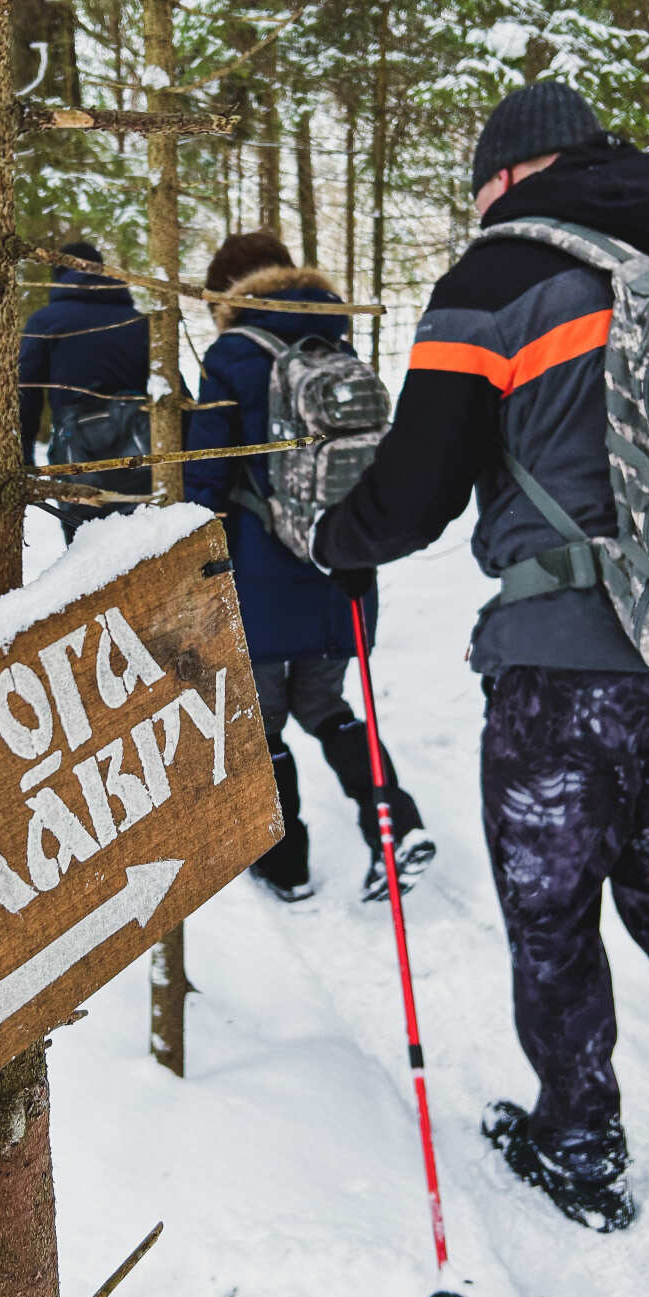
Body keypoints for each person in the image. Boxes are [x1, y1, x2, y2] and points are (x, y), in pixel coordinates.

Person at [311, 79, 649, 1297]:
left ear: (504, 177)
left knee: (554, 916)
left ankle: (582, 1146)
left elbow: (414, 493)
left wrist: (333, 537)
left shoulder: (496, 277)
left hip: (564, 673)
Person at [184, 231, 434, 904]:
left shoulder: (231, 354)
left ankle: (284, 864)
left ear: (226, 291)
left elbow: (204, 478)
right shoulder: (335, 342)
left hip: (256, 578)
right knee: (326, 707)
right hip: (337, 567)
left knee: (262, 724)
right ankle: (395, 828)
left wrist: (192, 565)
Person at [18, 239, 150, 543]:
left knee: (86, 548)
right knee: (145, 543)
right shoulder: (137, 320)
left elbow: (26, 390)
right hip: (141, 446)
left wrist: (23, 456)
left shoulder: (47, 320)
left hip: (78, 452)